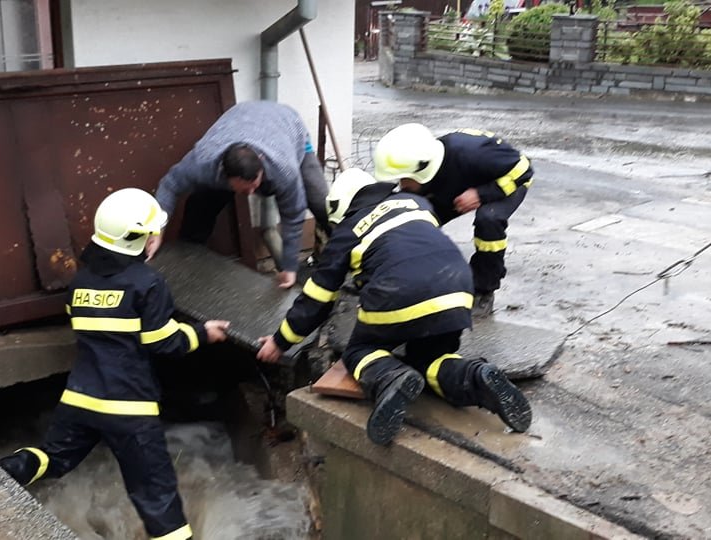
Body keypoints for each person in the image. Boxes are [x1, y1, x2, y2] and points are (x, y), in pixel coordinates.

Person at [0, 188, 230, 540]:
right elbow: (163, 342)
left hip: (80, 399)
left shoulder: (80, 282)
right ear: (142, 239)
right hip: (129, 409)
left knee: (52, 458)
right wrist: (202, 332)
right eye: (154, 232)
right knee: (156, 497)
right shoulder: (148, 283)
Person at [256, 169, 532, 446]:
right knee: (431, 358)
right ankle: (476, 378)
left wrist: (281, 341)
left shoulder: (348, 231)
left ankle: (391, 377)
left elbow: (317, 298)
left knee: (359, 352)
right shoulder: (416, 203)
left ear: (342, 209)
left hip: (399, 292)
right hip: (457, 290)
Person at [150, 100, 329, 289]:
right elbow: (169, 185)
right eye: (244, 190)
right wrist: (157, 229)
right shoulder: (203, 162)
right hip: (238, 122)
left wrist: (290, 266)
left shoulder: (283, 168)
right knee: (201, 205)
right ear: (223, 174)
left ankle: (350, 260)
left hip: (288, 126)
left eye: (254, 185)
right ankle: (187, 262)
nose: (251, 193)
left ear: (261, 161)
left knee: (322, 204)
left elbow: (293, 215)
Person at [373, 123, 533, 317]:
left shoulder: (470, 152)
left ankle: (483, 291)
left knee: (489, 219)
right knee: (415, 216)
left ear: (423, 167)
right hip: (456, 180)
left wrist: (482, 194)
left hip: (507, 179)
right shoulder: (426, 164)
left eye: (405, 178)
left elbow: (523, 168)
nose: (401, 184)